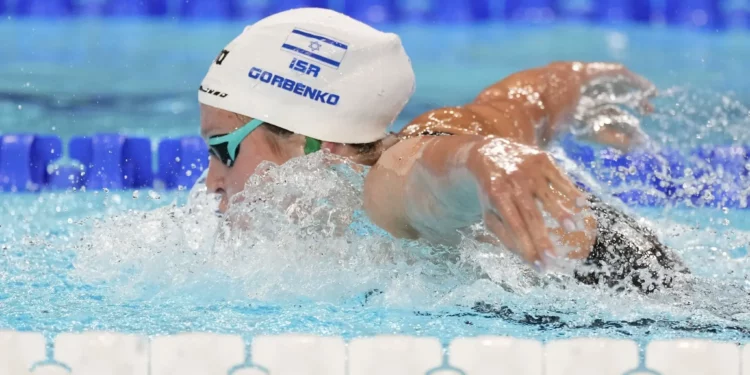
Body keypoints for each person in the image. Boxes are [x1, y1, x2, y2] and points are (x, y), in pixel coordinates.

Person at [198, 7, 687, 293]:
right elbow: (524, 99)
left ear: (317, 146)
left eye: (223, 149)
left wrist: (481, 161)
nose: (211, 181)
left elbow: (428, 178)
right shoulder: (435, 128)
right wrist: (583, 88)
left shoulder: (382, 186)